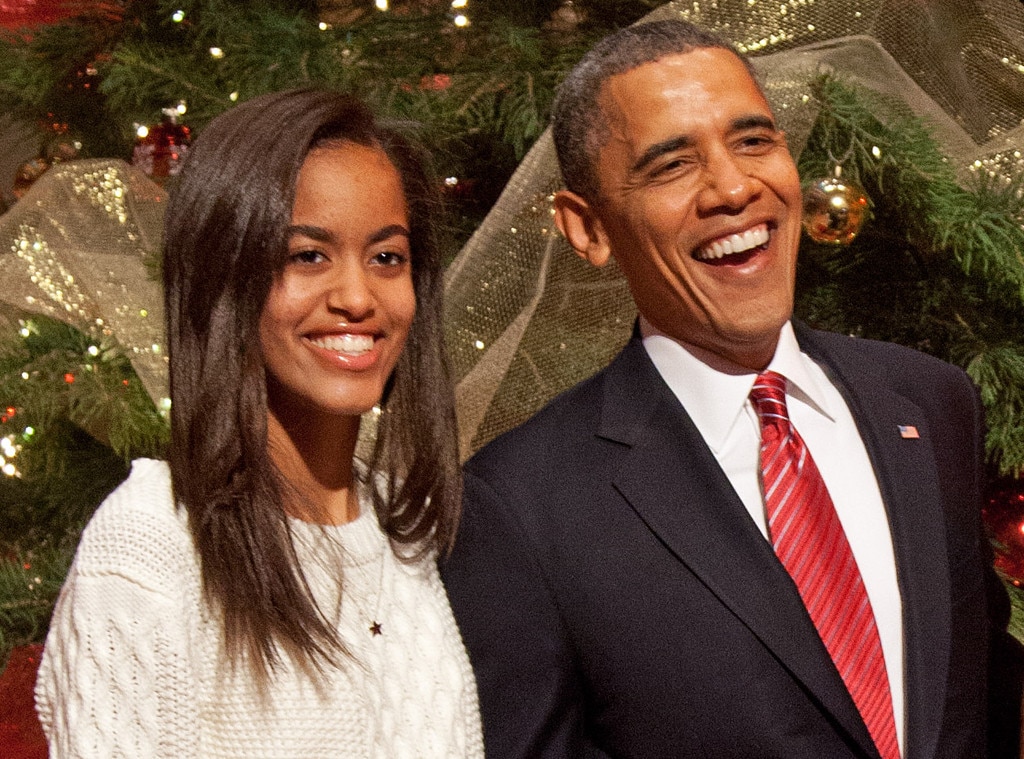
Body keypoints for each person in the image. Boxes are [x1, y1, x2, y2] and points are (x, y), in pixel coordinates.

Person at [440, 19, 1022, 759]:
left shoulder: (931, 402)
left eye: (754, 141)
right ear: (587, 229)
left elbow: (985, 696)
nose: (735, 187)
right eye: (672, 165)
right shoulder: (520, 508)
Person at [34, 89, 483, 758]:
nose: (358, 296)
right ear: (224, 279)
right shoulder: (151, 543)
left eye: (387, 257)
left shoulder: (400, 523)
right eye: (307, 256)